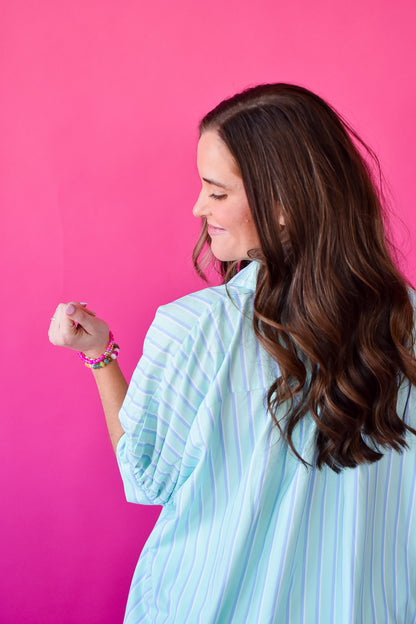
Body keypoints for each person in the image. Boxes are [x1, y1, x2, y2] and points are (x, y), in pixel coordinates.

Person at [49, 84, 416, 623]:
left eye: (217, 193)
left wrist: (101, 356)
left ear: (284, 205)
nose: (199, 207)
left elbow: (146, 475)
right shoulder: (407, 322)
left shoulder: (195, 327)